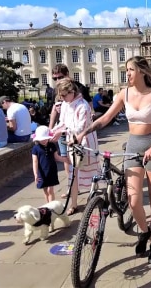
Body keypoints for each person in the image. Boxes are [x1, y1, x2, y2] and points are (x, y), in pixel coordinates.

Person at [75, 56, 151, 265]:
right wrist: (84, 132)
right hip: (134, 147)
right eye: (126, 70)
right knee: (134, 199)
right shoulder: (124, 94)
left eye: (130, 69)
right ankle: (144, 232)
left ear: (142, 72)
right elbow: (105, 118)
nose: (127, 73)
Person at [51, 78, 100, 216]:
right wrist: (52, 132)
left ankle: (94, 197)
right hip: (71, 141)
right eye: (61, 96)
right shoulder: (66, 104)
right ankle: (73, 204)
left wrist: (62, 130)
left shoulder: (83, 106)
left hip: (85, 142)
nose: (63, 98)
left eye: (64, 95)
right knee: (73, 174)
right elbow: (62, 122)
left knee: (89, 172)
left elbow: (81, 128)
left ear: (72, 92)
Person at [32, 125, 69, 203]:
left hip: (51, 170)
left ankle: (52, 206)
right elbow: (35, 162)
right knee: (45, 191)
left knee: (50, 190)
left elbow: (56, 157)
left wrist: (67, 160)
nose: (44, 141)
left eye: (45, 139)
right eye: (42, 139)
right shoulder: (35, 148)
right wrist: (36, 174)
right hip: (42, 172)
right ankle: (47, 206)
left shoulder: (52, 145)